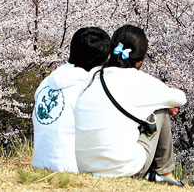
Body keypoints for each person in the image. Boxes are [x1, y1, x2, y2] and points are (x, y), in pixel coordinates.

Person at [74, 24, 186, 186]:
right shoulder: (141, 81)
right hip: (122, 168)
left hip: (82, 164)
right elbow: (180, 99)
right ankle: (165, 172)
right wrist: (162, 102)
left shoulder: (94, 75)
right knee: (160, 108)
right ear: (142, 59)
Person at [32, 26, 111, 173]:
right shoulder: (88, 88)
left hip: (40, 164)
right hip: (73, 168)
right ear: (100, 61)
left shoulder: (48, 81)